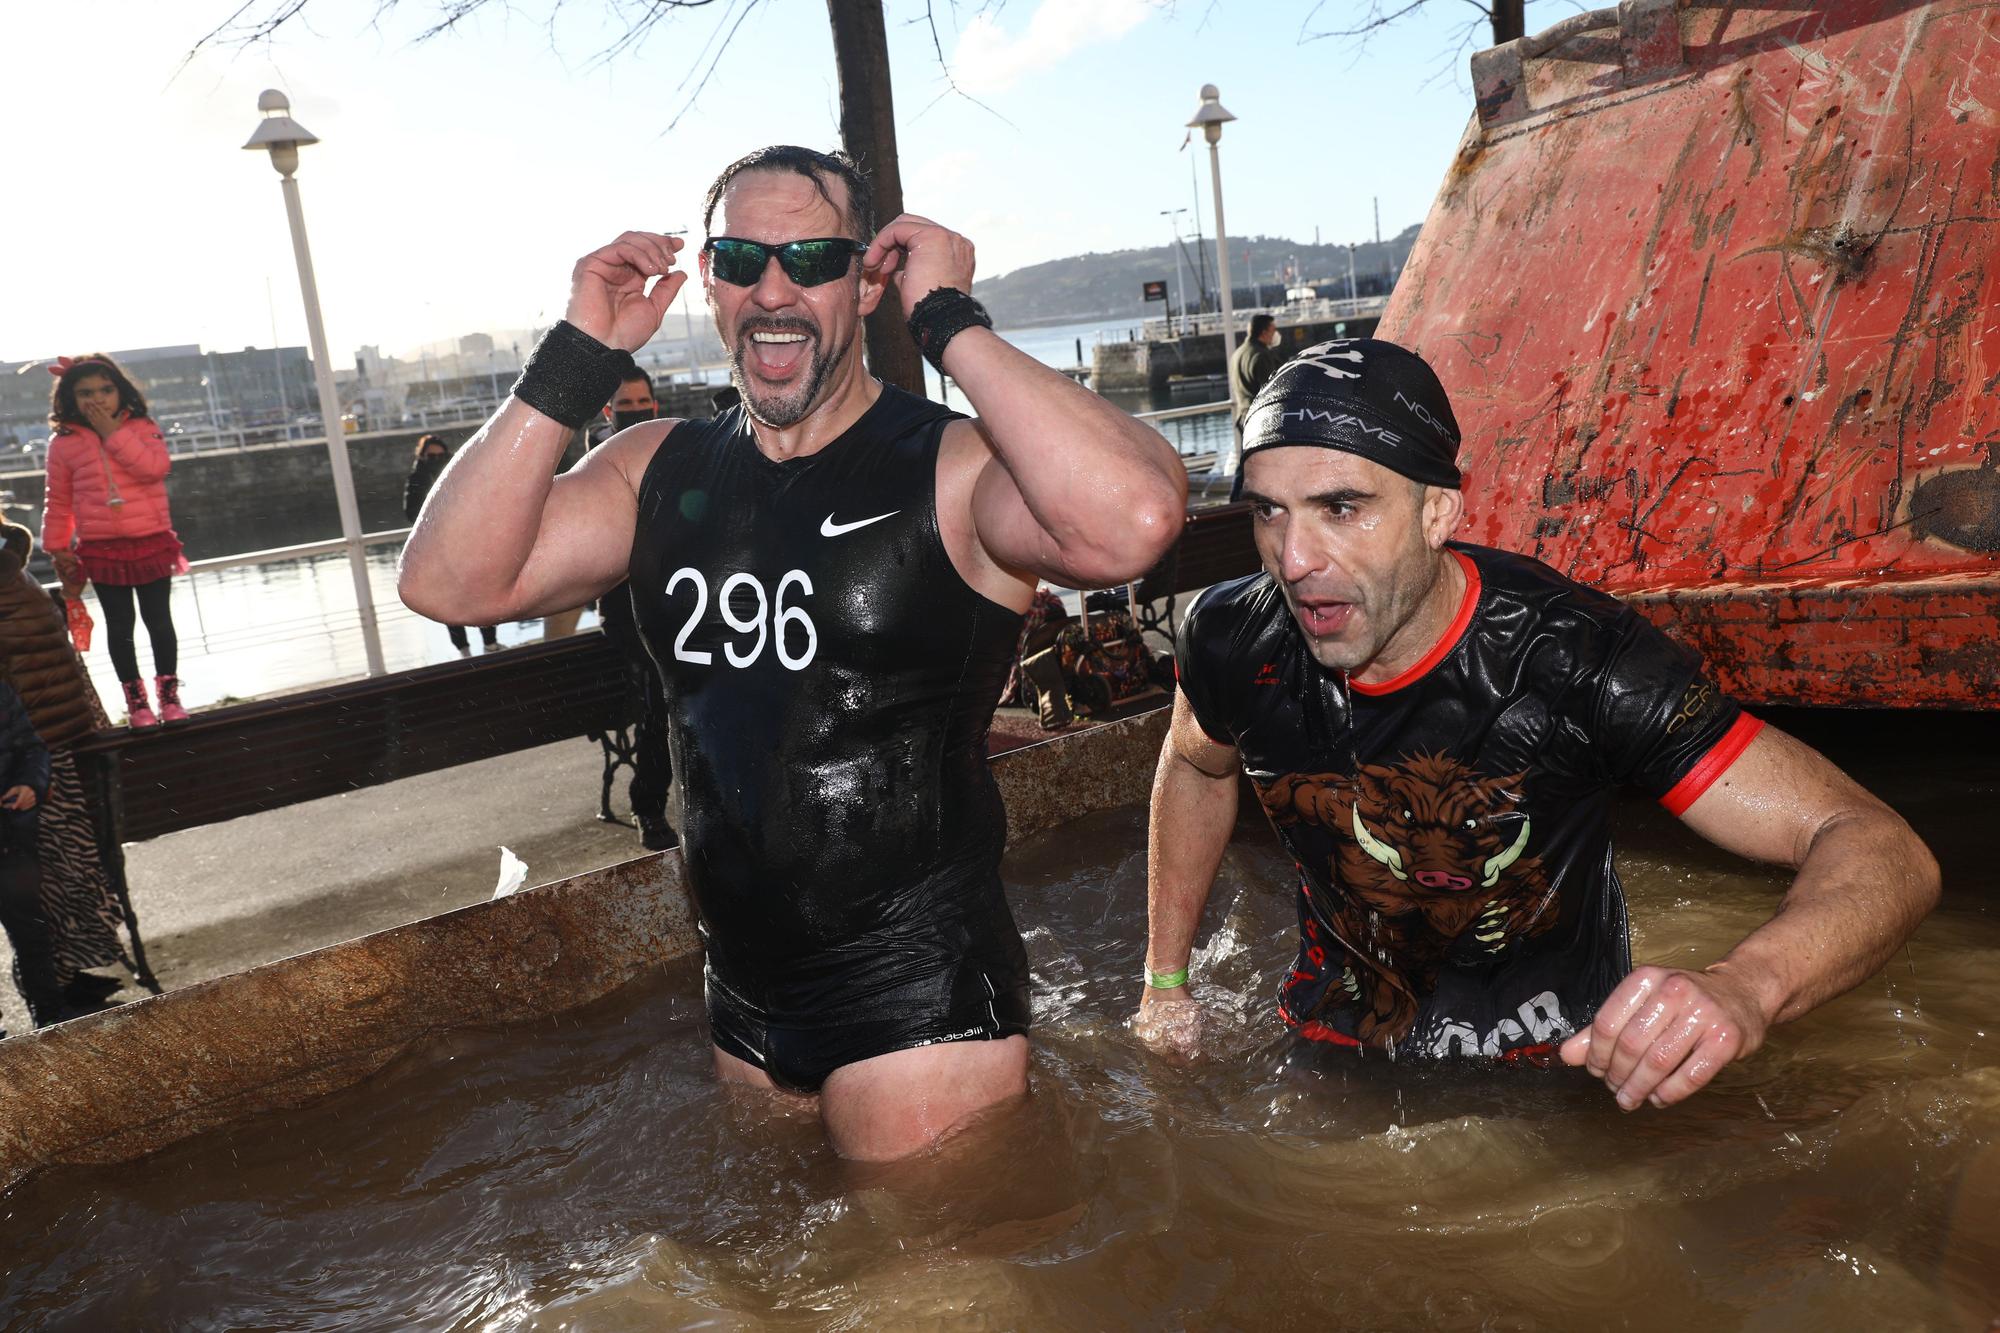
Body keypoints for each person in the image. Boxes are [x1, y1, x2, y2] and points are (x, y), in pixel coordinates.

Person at [400, 144, 1187, 1159]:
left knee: (938, 1306)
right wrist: (574, 355)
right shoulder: (654, 466)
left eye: (811, 258)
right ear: (711, 285)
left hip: (920, 1001)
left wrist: (948, 322)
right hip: (741, 994)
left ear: (866, 281)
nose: (772, 289)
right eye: (739, 258)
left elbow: (1134, 519)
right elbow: (447, 583)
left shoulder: (948, 468)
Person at [1135, 338, 1939, 1112]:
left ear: (1436, 512)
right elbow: (1199, 764)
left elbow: (1878, 844)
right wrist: (1164, 982)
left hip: (1564, 1064)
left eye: (1341, 508)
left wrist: (1746, 985)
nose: (1295, 557)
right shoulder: (1233, 637)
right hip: (1330, 1043)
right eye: (1269, 513)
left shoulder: (1579, 662)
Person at [0, 521, 136, 1020]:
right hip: (41, 743)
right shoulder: (14, 565)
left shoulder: (9, 568)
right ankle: (58, 981)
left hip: (29, 748)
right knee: (55, 874)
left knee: (51, 876)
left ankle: (59, 981)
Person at [41, 355, 188, 727]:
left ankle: (169, 697)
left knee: (159, 620)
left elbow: (154, 469)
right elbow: (57, 501)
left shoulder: (141, 427)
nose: (98, 399)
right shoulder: (63, 444)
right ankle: (137, 703)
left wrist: (112, 434)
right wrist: (57, 547)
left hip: (150, 540)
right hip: (101, 547)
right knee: (120, 625)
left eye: (106, 390)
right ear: (70, 399)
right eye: (86, 392)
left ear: (120, 390)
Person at [592, 368, 675, 852]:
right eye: (629, 403)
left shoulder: (670, 451)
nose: (640, 410)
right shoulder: (594, 466)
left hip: (669, 606)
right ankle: (648, 806)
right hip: (628, 616)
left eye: (645, 401)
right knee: (659, 704)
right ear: (609, 411)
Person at [0, 678, 62, 1036]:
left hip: (10, 835)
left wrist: (31, 784)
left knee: (31, 934)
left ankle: (51, 1022)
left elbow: (31, 748)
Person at [403, 435, 499, 654]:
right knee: (450, 599)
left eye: (441, 455)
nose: (437, 459)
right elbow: (411, 512)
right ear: (422, 457)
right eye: (431, 456)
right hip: (438, 551)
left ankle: (490, 645)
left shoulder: (459, 470)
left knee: (481, 594)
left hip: (468, 544)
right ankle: (463, 650)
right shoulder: (417, 478)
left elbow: (477, 499)